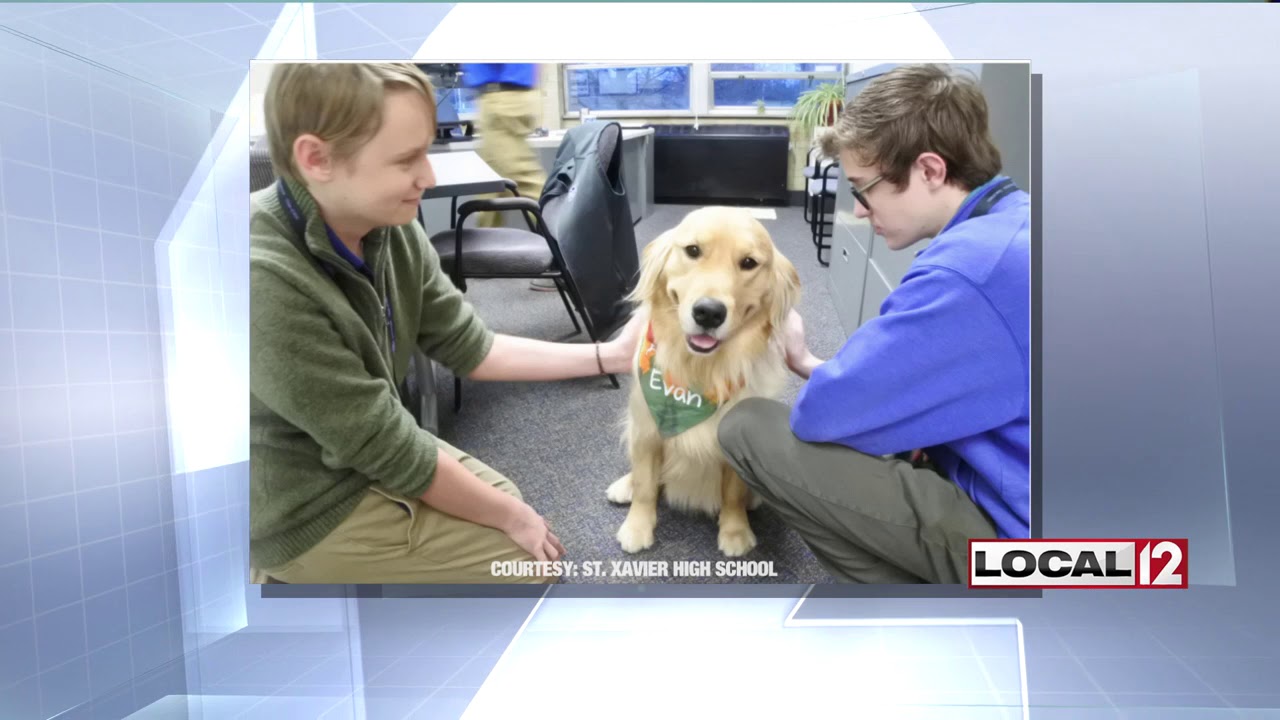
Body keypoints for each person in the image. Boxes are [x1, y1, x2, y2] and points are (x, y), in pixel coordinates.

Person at [250, 63, 641, 584]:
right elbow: (389, 447)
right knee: (522, 559)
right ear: (316, 158)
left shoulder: (390, 227)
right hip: (306, 504)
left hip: (361, 450)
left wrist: (610, 355)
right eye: (407, 159)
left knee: (509, 509)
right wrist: (512, 518)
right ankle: (285, 580)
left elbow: (470, 347)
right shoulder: (262, 278)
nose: (428, 178)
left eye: (427, 151)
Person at [717, 64, 1030, 585]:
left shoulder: (967, 272)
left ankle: (939, 617)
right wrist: (806, 362)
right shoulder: (1016, 220)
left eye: (864, 190)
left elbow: (821, 417)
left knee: (748, 427)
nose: (860, 212)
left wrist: (814, 374)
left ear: (930, 171)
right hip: (1122, 546)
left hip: (1041, 558)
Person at [461, 63, 557, 290]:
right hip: (500, 97)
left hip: (503, 98)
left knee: (525, 181)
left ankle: (566, 256)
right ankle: (485, 256)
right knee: (490, 183)